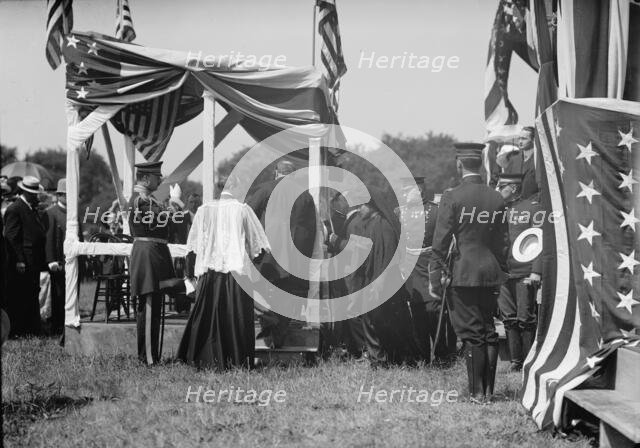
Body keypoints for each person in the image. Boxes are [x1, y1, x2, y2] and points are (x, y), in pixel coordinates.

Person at [430, 143, 510, 403]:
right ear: (479, 163)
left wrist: (435, 277)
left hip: (463, 273)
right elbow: (502, 242)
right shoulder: (496, 198)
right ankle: (487, 391)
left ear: (459, 164)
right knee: (488, 330)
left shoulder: (452, 197)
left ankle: (477, 392)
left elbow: (440, 242)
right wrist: (501, 269)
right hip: (490, 273)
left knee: (472, 333)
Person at [177, 176, 270, 369]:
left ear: (220, 188)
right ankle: (236, 359)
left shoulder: (204, 210)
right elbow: (258, 246)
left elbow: (192, 247)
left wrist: (191, 276)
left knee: (208, 315)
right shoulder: (243, 210)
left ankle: (203, 358)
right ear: (238, 188)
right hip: (236, 274)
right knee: (235, 316)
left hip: (210, 273)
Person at [247, 159, 317, 347]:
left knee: (264, 296)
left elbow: (248, 217)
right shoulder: (305, 196)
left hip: (267, 257)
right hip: (294, 258)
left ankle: (269, 333)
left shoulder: (264, 189)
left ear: (276, 173)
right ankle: (279, 337)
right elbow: (311, 230)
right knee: (288, 297)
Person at [397, 177, 457, 364]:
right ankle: (422, 355)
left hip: (431, 264)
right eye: (406, 190)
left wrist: (445, 267)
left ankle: (442, 355)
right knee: (417, 311)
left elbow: (449, 240)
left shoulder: (436, 210)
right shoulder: (400, 213)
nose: (407, 194)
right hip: (410, 266)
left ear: (422, 189)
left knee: (434, 310)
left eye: (412, 190)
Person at [128, 161, 180, 365]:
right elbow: (159, 220)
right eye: (157, 177)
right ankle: (148, 358)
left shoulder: (147, 199)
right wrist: (175, 203)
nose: (160, 180)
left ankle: (151, 356)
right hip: (148, 255)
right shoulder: (140, 199)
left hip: (154, 254)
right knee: (149, 307)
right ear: (147, 178)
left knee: (154, 306)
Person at [496, 173, 541, 371]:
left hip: (525, 271)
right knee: (509, 318)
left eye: (501, 186)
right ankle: (516, 361)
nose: (498, 190)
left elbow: (541, 241)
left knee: (526, 318)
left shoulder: (532, 208)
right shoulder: (497, 210)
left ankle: (529, 360)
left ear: (513, 188)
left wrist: (537, 271)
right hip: (503, 272)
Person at [3, 176, 47, 337]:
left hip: (33, 260)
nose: (35, 195)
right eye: (32, 192)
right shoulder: (15, 209)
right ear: (24, 191)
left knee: (30, 294)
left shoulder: (29, 207)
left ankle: (31, 328)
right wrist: (19, 260)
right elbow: (11, 237)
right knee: (20, 296)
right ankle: (19, 330)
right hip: (23, 262)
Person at [45, 179, 81, 335]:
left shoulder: (75, 213)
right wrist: (51, 259)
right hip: (59, 261)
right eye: (65, 195)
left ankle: (71, 323)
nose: (68, 198)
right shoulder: (50, 213)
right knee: (59, 295)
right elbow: (49, 238)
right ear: (59, 196)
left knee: (74, 293)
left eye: (70, 195)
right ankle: (57, 326)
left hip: (75, 260)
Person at [167, 184, 192, 314]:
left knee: (183, 277)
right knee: (176, 276)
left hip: (182, 251)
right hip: (171, 252)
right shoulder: (168, 216)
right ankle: (178, 306)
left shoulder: (185, 216)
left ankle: (183, 306)